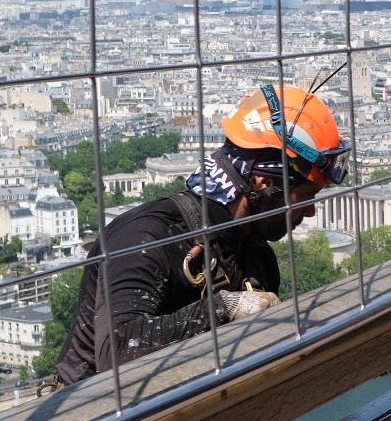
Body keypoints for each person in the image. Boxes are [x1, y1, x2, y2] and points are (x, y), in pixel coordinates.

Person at [53, 83, 351, 385]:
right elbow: (115, 352)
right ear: (264, 183)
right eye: (306, 196)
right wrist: (222, 309)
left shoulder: (256, 256)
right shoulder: (145, 237)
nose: (311, 211)